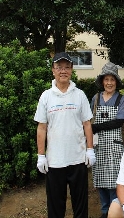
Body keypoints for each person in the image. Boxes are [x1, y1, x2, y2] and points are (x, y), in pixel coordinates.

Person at [34, 52, 96, 218]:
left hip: (78, 159)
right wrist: (41, 155)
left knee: (81, 206)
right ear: (53, 70)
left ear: (71, 70)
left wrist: (90, 149)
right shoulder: (46, 96)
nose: (63, 71)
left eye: (66, 67)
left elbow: (87, 124)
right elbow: (41, 127)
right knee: (55, 207)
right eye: (59, 67)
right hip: (55, 161)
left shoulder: (80, 95)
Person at [90, 62, 124, 218]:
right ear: (102, 81)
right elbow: (89, 121)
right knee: (100, 180)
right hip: (99, 146)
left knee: (114, 181)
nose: (109, 83)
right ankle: (104, 211)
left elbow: (119, 122)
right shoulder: (96, 98)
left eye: (112, 80)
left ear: (116, 82)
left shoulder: (121, 99)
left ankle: (114, 211)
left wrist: (97, 127)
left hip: (114, 147)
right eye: (106, 79)